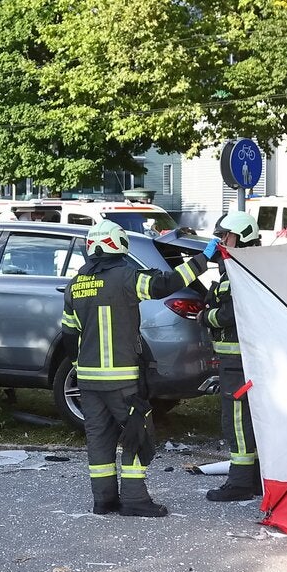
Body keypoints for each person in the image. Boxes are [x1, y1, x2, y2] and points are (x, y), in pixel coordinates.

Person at [61, 220, 218, 517]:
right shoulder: (126, 277)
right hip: (123, 381)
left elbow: (70, 334)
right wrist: (203, 259)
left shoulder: (76, 285)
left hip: (89, 381)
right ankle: (134, 500)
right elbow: (165, 284)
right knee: (138, 433)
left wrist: (79, 367)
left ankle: (103, 501)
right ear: (118, 245)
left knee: (99, 438)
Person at [199, 211, 263, 502]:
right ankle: (256, 479)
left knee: (237, 422)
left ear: (241, 238)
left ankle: (240, 483)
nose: (221, 241)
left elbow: (228, 315)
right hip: (244, 361)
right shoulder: (245, 267)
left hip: (238, 364)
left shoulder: (240, 271)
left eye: (225, 236)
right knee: (252, 421)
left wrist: (204, 315)